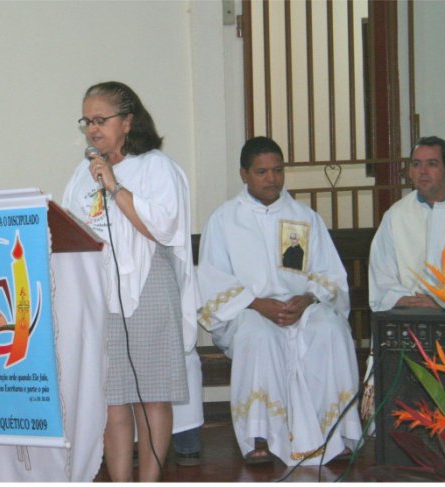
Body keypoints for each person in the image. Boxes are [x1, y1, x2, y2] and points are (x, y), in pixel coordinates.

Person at [62, 81, 199, 481]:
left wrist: (115, 186)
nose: (92, 129)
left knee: (151, 396)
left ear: (128, 121)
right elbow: (72, 226)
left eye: (100, 120)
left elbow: (162, 227)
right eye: (87, 121)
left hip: (148, 287)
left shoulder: (157, 166)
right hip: (100, 292)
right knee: (114, 401)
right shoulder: (81, 173)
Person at [196, 136, 362, 466]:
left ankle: (335, 430)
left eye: (278, 170)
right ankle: (261, 436)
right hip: (249, 311)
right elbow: (212, 279)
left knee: (331, 329)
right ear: (244, 174)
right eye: (262, 172)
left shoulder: (304, 217)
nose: (272, 178)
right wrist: (258, 304)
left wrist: (306, 299)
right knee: (259, 336)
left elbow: (329, 273)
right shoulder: (225, 219)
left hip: (302, 308)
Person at [368, 135, 445, 312]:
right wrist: (409, 300)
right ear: (410, 172)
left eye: (431, 164)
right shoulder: (395, 216)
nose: (422, 171)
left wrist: (443, 304)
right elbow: (382, 273)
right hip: (409, 314)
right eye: (416, 164)